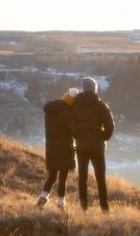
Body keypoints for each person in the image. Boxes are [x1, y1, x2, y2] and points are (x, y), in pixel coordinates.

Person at [67, 75, 115, 213]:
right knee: (101, 178)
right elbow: (110, 126)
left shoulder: (75, 105)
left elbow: (70, 124)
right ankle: (104, 209)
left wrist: (77, 136)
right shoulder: (101, 105)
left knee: (82, 178)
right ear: (94, 89)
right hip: (97, 147)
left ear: (83, 88)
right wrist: (103, 137)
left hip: (81, 146)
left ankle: (84, 208)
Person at [37, 87, 76, 207]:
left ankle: (42, 198)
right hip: (65, 149)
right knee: (62, 179)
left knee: (52, 177)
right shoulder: (68, 113)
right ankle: (60, 203)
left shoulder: (50, 111)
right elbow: (74, 131)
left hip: (51, 148)